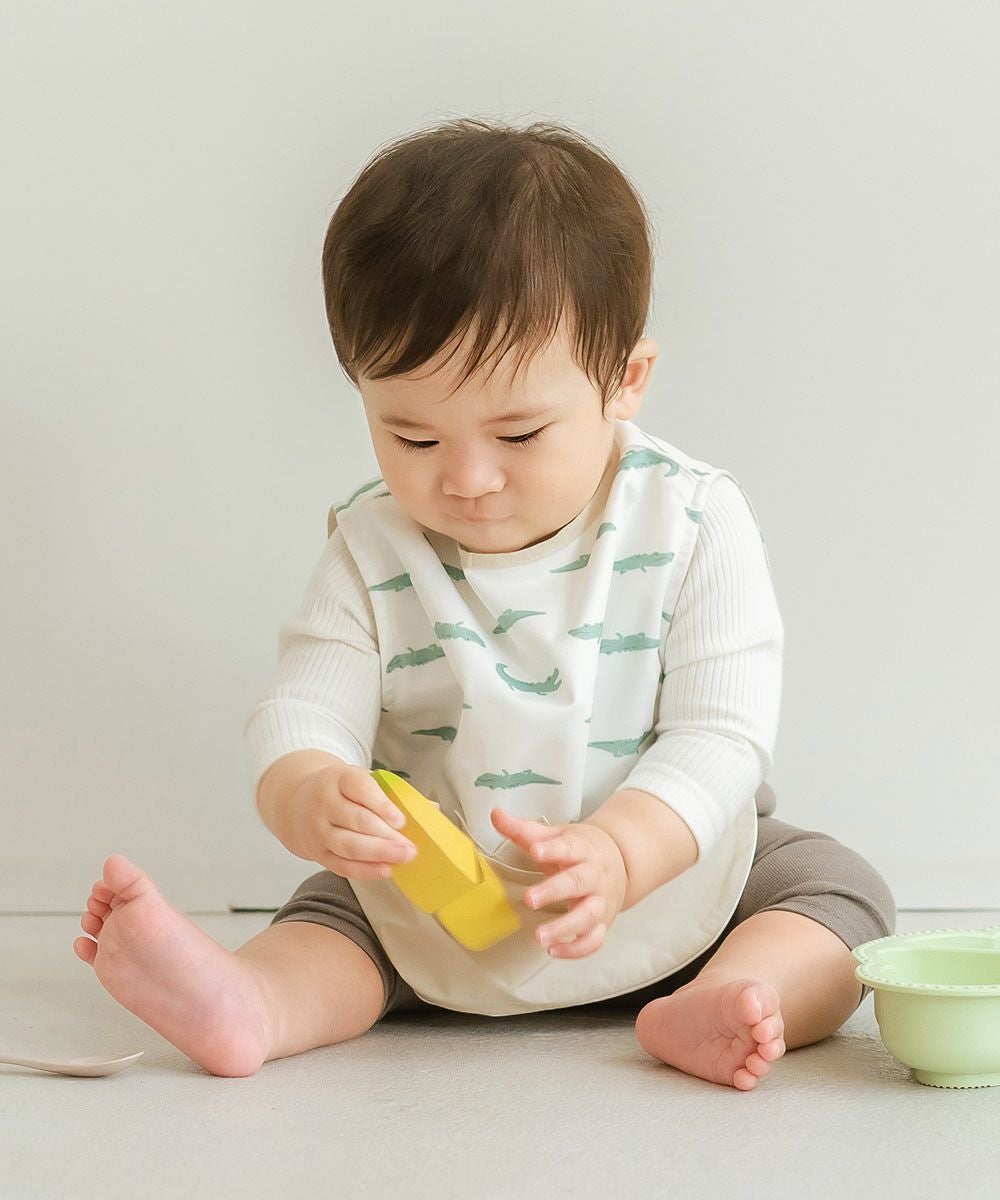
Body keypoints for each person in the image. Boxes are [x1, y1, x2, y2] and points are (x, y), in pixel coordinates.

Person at [73, 117, 895, 1090]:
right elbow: (304, 708)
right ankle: (252, 1003)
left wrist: (623, 850)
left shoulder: (691, 522)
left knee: (834, 892)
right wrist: (308, 790)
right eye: (413, 438)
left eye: (519, 434)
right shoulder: (371, 549)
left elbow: (720, 736)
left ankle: (726, 993)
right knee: (336, 916)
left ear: (624, 380)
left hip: (668, 872)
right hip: (441, 894)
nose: (465, 479)